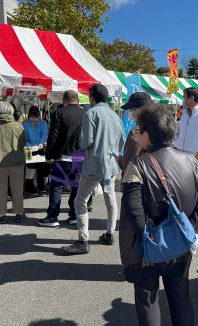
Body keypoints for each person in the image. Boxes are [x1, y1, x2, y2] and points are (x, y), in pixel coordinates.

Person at [120, 106, 198, 326]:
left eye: (139, 130)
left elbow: (133, 210)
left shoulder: (138, 165)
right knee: (180, 296)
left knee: (147, 299)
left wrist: (148, 236)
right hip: (181, 245)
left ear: (148, 134)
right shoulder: (192, 160)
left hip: (149, 246)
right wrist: (190, 227)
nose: (137, 134)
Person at [62, 84, 125, 254]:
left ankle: (83, 240)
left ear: (92, 97)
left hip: (93, 165)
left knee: (80, 200)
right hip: (111, 165)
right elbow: (121, 142)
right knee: (110, 200)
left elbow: (86, 141)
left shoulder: (91, 113)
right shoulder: (115, 116)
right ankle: (110, 233)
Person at [39, 90, 86, 227]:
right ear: (77, 100)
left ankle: (53, 217)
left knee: (56, 187)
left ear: (64, 101)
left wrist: (49, 156)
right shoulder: (85, 113)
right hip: (80, 157)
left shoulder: (58, 113)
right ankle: (74, 216)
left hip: (62, 156)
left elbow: (53, 136)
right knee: (76, 188)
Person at [0, 101, 27, 224]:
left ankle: (1, 215)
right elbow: (23, 144)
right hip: (17, 162)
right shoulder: (19, 126)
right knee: (17, 189)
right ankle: (19, 214)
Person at [118, 91, 153, 172]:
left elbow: (127, 165)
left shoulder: (136, 133)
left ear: (141, 109)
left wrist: (118, 158)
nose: (130, 112)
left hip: (138, 180)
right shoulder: (160, 128)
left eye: (132, 109)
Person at [22, 106, 49, 194]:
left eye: (36, 117)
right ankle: (29, 187)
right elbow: (23, 137)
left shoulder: (43, 123)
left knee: (40, 167)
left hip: (40, 148)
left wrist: (41, 143)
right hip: (28, 149)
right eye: (32, 117)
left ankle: (41, 186)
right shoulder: (24, 124)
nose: (34, 119)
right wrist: (29, 146)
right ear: (29, 116)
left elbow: (44, 134)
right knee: (30, 167)